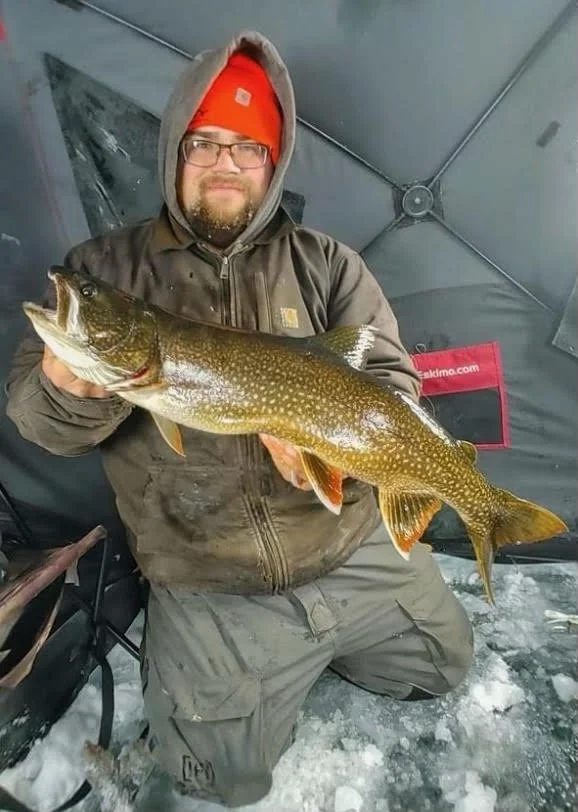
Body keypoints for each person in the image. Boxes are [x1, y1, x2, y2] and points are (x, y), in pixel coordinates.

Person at [6, 32, 473, 808]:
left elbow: (391, 379)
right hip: (208, 578)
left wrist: (340, 447)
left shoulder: (328, 264)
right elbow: (39, 423)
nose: (226, 163)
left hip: (345, 543)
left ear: (271, 164)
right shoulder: (104, 273)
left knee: (443, 669)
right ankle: (262, 667)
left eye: (247, 149)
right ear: (175, 153)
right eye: (206, 144)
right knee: (218, 786)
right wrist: (69, 387)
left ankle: (322, 645)